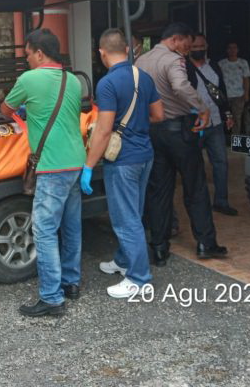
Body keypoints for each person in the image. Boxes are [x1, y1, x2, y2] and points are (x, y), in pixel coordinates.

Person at [1, 28, 85, 317]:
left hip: (52, 166)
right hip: (76, 162)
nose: (26, 61)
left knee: (45, 230)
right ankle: (71, 283)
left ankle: (51, 298)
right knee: (72, 225)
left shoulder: (29, 79)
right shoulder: (72, 80)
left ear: (39, 52)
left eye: (27, 55)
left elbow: (5, 109)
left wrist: (25, 109)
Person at [81, 29, 163, 298]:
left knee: (125, 218)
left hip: (122, 161)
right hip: (145, 155)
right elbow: (158, 115)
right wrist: (136, 126)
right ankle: (124, 260)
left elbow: (104, 131)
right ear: (127, 50)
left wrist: (89, 166)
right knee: (134, 213)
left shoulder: (107, 84)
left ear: (102, 53)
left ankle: (139, 279)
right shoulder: (144, 77)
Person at [136, 23, 227, 265]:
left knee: (159, 190)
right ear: (175, 40)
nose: (188, 50)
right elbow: (179, 85)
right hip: (179, 131)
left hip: (153, 131)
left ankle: (159, 247)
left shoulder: (140, 61)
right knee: (195, 187)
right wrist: (202, 106)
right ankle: (206, 243)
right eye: (187, 44)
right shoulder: (173, 60)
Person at [187, 34, 238, 216]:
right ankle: (198, 204)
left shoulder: (214, 66)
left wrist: (227, 114)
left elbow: (221, 93)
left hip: (215, 122)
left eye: (201, 46)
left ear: (206, 45)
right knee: (194, 165)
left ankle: (221, 201)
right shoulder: (183, 68)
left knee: (221, 163)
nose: (198, 49)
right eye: (194, 47)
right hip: (195, 124)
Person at [218, 42, 250, 134]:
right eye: (230, 48)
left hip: (239, 95)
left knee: (237, 117)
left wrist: (246, 93)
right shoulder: (221, 63)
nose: (232, 50)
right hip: (225, 96)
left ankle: (235, 138)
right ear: (227, 50)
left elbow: (246, 79)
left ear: (237, 50)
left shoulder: (243, 62)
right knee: (226, 116)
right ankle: (225, 137)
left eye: (234, 48)